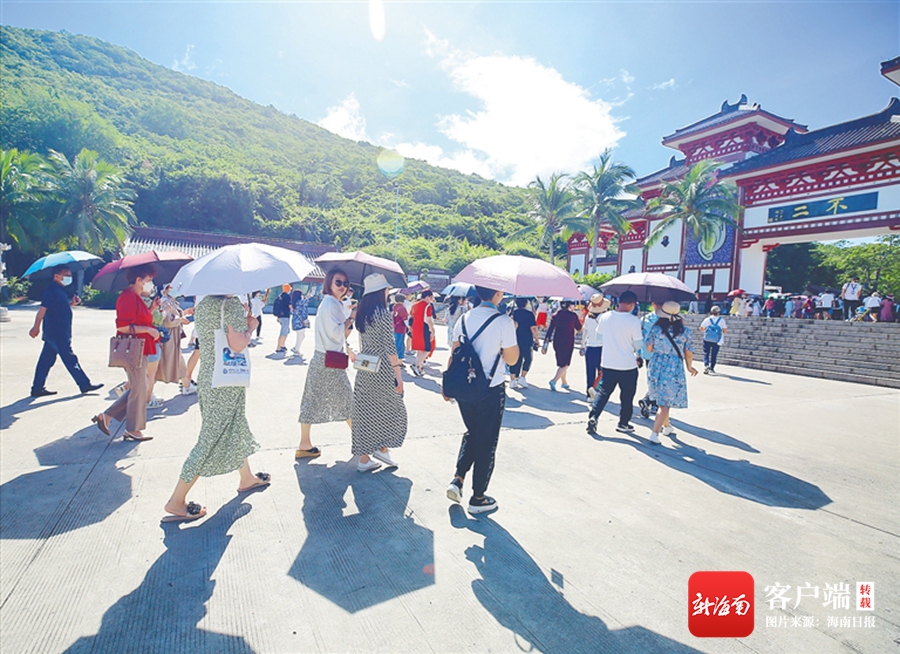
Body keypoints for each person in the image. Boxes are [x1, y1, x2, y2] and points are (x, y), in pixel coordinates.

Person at [162, 294, 269, 522]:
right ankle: (176, 500)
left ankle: (247, 477)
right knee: (211, 438)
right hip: (227, 382)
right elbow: (238, 343)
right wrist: (251, 325)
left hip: (210, 376)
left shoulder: (203, 305)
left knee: (235, 425)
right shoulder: (231, 305)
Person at [444, 285, 519, 514]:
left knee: (473, 432)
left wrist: (447, 385)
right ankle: (478, 497)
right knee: (487, 441)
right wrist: (511, 333)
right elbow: (512, 360)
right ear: (497, 294)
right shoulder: (503, 321)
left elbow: (455, 353)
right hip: (490, 389)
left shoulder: (464, 318)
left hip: (464, 387)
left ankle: (458, 479)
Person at [92, 264, 161, 442]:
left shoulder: (136, 297)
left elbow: (138, 319)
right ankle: (133, 429)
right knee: (139, 387)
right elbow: (123, 326)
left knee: (139, 386)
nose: (151, 284)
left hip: (140, 347)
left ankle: (107, 416)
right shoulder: (128, 297)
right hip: (134, 348)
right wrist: (149, 330)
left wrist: (152, 309)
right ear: (139, 280)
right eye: (149, 280)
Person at [350, 274, 407, 472]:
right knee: (392, 408)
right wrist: (398, 373)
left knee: (366, 410)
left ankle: (365, 458)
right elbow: (390, 347)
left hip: (365, 365)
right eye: (386, 290)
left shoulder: (362, 313)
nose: (388, 293)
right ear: (379, 292)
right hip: (382, 368)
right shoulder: (383, 314)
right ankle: (382, 448)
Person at [296, 268, 354, 460]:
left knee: (311, 399)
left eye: (345, 283)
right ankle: (364, 439)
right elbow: (336, 334)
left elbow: (338, 334)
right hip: (329, 360)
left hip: (322, 358)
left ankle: (305, 443)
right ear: (329, 282)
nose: (342, 286)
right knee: (347, 400)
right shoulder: (331, 303)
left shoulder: (330, 302)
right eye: (338, 282)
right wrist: (350, 319)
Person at [29, 265, 103, 397]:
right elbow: (42, 310)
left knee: (46, 361)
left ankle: (37, 388)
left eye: (70, 275)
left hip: (56, 332)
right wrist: (36, 326)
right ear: (56, 276)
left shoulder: (60, 290)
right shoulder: (52, 290)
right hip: (57, 333)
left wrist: (72, 304)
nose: (69, 277)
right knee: (70, 359)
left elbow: (59, 309)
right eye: (66, 275)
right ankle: (84, 384)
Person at [586, 291, 643, 436]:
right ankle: (623, 423)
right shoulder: (634, 321)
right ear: (631, 304)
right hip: (627, 365)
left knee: (603, 393)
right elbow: (638, 344)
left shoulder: (606, 316)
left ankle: (593, 416)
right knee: (627, 396)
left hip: (608, 362)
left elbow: (599, 337)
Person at [644, 301, 699, 445]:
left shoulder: (656, 329)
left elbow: (649, 348)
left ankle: (667, 426)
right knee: (665, 402)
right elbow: (689, 353)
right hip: (674, 366)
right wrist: (690, 367)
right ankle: (654, 433)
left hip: (656, 364)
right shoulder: (685, 331)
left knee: (662, 400)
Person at [156, 285, 196, 395]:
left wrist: (184, 313)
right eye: (171, 287)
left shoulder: (171, 301)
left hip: (173, 336)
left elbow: (174, 315)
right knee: (161, 364)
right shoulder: (165, 301)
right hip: (168, 336)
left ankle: (187, 385)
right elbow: (167, 320)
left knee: (176, 360)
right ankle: (132, 387)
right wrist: (181, 320)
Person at [542, 300, 582, 391]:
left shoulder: (555, 315)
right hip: (568, 341)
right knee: (566, 363)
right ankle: (554, 380)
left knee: (561, 363)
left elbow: (550, 330)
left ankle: (564, 382)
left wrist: (546, 342)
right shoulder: (573, 316)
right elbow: (579, 327)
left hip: (557, 341)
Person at [581, 294, 610, 399]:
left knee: (590, 372)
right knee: (603, 373)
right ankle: (596, 390)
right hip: (602, 347)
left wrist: (582, 346)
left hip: (590, 346)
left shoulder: (588, 318)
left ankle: (589, 394)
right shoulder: (606, 318)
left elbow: (585, 333)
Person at [510, 298, 539, 389]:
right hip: (527, 339)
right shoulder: (529, 314)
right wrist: (536, 339)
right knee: (528, 358)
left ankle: (513, 379)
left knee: (515, 359)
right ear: (526, 303)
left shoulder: (513, 313)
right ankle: (522, 377)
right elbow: (533, 328)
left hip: (514, 338)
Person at [410, 290, 436, 376]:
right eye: (431, 297)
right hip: (423, 328)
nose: (431, 299)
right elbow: (429, 320)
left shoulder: (415, 305)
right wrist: (432, 331)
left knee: (420, 349)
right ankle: (416, 365)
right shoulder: (427, 306)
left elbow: (411, 316)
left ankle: (419, 368)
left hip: (416, 327)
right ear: (427, 297)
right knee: (428, 349)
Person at [699, 305, 727, 374]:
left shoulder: (707, 319)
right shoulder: (722, 320)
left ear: (711, 312)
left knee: (706, 353)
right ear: (719, 312)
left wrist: (706, 331)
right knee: (714, 354)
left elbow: (701, 328)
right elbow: (724, 331)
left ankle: (706, 365)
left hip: (707, 339)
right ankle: (712, 368)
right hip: (716, 340)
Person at [272, 284, 292, 353]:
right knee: (284, 332)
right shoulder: (287, 297)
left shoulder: (280, 296)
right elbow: (290, 306)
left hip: (280, 316)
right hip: (285, 316)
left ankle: (282, 345)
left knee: (287, 331)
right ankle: (279, 347)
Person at [290, 289, 310, 358]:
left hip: (296, 321)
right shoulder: (300, 302)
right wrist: (310, 295)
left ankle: (296, 348)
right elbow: (307, 301)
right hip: (301, 322)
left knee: (301, 335)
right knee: (300, 336)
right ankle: (296, 349)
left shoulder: (294, 302)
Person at [392, 293, 409, 361]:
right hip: (401, 328)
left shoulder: (395, 307)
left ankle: (396, 359)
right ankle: (399, 360)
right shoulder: (402, 308)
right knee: (400, 344)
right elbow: (405, 320)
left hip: (395, 327)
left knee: (396, 343)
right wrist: (410, 327)